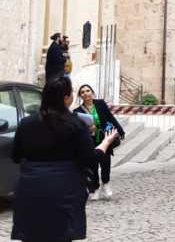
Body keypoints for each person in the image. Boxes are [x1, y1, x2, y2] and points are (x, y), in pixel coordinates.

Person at [11, 77, 119, 242]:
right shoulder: (76, 124)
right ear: (65, 98)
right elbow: (89, 158)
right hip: (64, 190)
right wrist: (105, 142)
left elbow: (16, 156)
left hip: (31, 189)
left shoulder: (26, 123)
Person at [73, 84, 126, 201]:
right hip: (89, 141)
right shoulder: (77, 112)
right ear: (80, 96)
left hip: (104, 138)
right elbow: (77, 129)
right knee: (93, 165)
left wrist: (120, 131)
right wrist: (88, 129)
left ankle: (106, 184)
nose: (86, 93)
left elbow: (110, 118)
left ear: (92, 92)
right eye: (82, 92)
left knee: (105, 162)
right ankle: (95, 188)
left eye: (88, 91)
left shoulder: (100, 104)